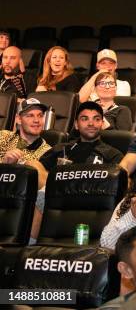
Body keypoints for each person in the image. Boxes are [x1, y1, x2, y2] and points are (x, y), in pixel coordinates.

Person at [33, 101, 124, 243]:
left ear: (102, 124)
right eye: (85, 118)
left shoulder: (113, 154)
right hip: (58, 203)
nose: (91, 123)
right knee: (33, 174)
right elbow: (35, 165)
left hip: (92, 204)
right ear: (76, 124)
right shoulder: (62, 149)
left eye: (96, 119)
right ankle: (32, 247)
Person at [0, 97, 51, 189]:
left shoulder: (47, 151)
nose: (36, 120)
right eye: (30, 115)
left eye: (40, 115)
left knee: (33, 165)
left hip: (21, 197)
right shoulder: (3, 136)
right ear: (19, 119)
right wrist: (4, 164)